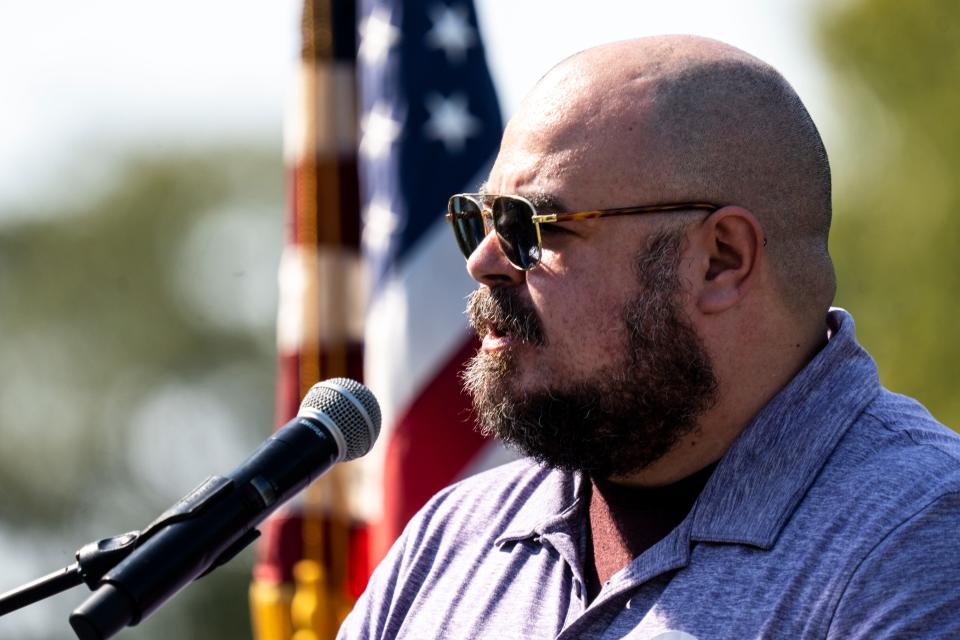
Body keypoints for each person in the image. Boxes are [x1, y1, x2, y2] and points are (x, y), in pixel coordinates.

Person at [338, 35, 960, 639]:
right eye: (479, 220)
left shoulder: (921, 537)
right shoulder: (451, 542)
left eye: (530, 225)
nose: (483, 262)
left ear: (721, 259)